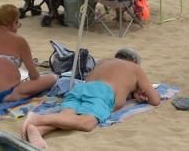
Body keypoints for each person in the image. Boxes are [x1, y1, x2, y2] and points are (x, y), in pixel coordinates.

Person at [22, 48, 160, 148]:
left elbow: (118, 81)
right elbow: (155, 100)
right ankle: (36, 118)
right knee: (87, 123)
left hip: (81, 88)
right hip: (102, 92)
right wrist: (139, 93)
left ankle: (38, 130)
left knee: (67, 118)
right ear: (135, 61)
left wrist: (133, 92)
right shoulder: (135, 68)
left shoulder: (104, 61)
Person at [0, 4, 56, 104]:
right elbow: (34, 76)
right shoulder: (19, 40)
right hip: (4, 94)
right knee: (52, 78)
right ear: (15, 22)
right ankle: (14, 96)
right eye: (18, 24)